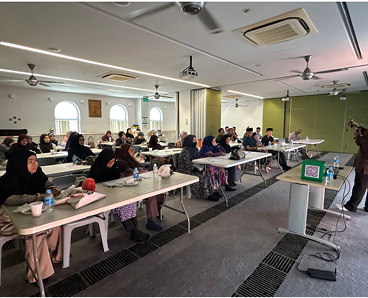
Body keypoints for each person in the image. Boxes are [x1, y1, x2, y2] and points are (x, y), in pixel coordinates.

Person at [0, 150, 62, 283]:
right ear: (20, 164)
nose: (35, 164)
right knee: (37, 230)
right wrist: (39, 197)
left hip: (31, 215)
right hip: (8, 221)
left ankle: (56, 255)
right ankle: (38, 274)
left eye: (35, 160)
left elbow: (49, 185)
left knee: (56, 220)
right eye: (30, 161)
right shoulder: (8, 180)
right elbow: (10, 199)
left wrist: (52, 189)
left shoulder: (37, 174)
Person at [89, 148, 150, 242]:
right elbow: (94, 186)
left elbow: (116, 179)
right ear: (103, 161)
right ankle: (134, 231)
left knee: (129, 200)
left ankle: (134, 228)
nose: (112, 164)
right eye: (109, 162)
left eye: (113, 161)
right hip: (102, 198)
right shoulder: (96, 169)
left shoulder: (114, 168)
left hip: (114, 192)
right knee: (122, 204)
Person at [116, 144, 165, 231]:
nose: (133, 152)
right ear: (124, 152)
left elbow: (141, 169)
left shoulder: (132, 160)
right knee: (151, 193)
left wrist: (142, 172)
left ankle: (157, 208)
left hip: (139, 183)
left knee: (161, 190)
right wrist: (142, 172)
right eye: (130, 150)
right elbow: (131, 173)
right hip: (130, 187)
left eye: (132, 150)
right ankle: (150, 220)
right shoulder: (121, 163)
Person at [178, 135, 220, 201]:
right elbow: (187, 164)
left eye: (195, 140)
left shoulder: (195, 149)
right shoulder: (185, 151)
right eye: (193, 140)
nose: (195, 141)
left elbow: (198, 160)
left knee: (207, 173)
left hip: (195, 167)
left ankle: (211, 191)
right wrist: (198, 170)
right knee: (200, 176)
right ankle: (203, 194)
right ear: (189, 141)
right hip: (186, 169)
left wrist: (202, 168)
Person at [344, 118, 368, 212]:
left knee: (360, 184)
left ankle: (351, 206)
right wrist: (357, 125)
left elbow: (364, 144)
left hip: (365, 164)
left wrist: (357, 135)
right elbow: (366, 131)